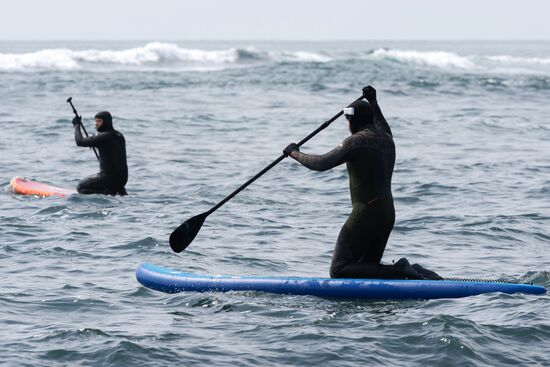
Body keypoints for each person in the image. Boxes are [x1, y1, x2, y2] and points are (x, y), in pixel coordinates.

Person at [283, 86, 442, 280]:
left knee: (339, 270)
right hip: (386, 213)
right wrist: (374, 102)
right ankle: (413, 271)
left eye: (348, 120)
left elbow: (321, 164)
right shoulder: (386, 139)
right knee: (366, 270)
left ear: (353, 121)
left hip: (366, 214)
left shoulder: (356, 142)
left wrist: (294, 152)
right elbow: (382, 124)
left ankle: (400, 269)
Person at [73, 111, 128, 195]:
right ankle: (118, 190)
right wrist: (94, 142)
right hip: (122, 180)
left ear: (106, 122)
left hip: (108, 179)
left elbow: (79, 142)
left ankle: (107, 192)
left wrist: (77, 125)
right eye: (95, 121)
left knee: (80, 187)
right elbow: (109, 147)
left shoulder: (104, 136)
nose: (96, 124)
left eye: (99, 121)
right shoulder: (119, 135)